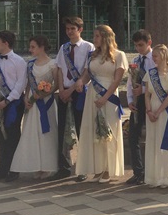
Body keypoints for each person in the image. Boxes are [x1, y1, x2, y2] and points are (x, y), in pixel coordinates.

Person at [76, 25, 127, 183]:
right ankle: (98, 168)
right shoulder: (92, 55)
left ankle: (108, 169)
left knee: (108, 131)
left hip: (109, 96)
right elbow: (87, 75)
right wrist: (81, 81)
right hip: (92, 94)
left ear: (106, 37)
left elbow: (117, 80)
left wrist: (105, 97)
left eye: (97, 36)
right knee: (93, 130)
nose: (94, 39)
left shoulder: (119, 55)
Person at [52, 17, 94, 180]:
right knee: (62, 130)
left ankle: (82, 168)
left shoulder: (88, 47)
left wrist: (70, 90)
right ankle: (63, 167)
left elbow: (87, 71)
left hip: (79, 92)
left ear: (80, 30)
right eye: (67, 29)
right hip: (64, 92)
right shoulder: (63, 48)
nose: (69, 31)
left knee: (80, 129)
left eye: (72, 29)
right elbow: (60, 69)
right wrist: (62, 90)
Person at [11, 36, 58, 178]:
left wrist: (45, 93)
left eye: (33, 47)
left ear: (42, 47)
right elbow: (27, 84)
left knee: (46, 133)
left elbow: (56, 84)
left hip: (46, 102)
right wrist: (26, 97)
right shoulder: (30, 64)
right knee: (32, 132)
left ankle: (47, 165)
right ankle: (35, 164)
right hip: (32, 101)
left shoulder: (52, 64)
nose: (30, 49)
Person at [0, 31, 27, 182]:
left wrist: (7, 100)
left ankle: (14, 170)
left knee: (12, 136)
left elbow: (20, 84)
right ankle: (1, 170)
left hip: (13, 103)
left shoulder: (19, 61)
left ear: (6, 43)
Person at [145, 44, 168, 188]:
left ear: (163, 56)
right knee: (152, 141)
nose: (153, 58)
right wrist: (149, 111)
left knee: (164, 143)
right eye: (153, 56)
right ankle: (153, 177)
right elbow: (146, 94)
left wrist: (158, 112)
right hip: (152, 109)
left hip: (165, 111)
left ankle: (165, 177)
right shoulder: (150, 73)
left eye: (156, 56)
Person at [126, 30, 154, 186]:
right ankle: (138, 172)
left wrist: (143, 90)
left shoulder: (155, 59)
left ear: (149, 43)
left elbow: (158, 81)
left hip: (151, 100)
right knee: (133, 136)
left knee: (152, 136)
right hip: (138, 102)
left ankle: (152, 171)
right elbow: (130, 82)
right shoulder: (135, 60)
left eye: (141, 45)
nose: (138, 48)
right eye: (136, 45)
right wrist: (130, 100)